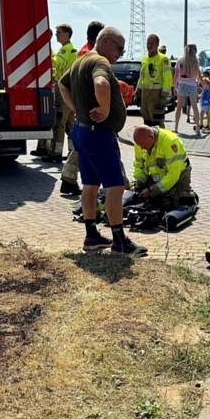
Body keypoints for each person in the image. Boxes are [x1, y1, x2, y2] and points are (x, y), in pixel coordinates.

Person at [57, 26, 147, 256]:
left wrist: (76, 108)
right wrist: (106, 109)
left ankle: (92, 235)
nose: (120, 53)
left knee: (89, 185)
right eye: (119, 48)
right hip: (98, 134)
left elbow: (62, 85)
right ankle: (119, 241)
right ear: (106, 42)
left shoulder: (80, 61)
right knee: (115, 187)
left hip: (82, 131)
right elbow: (102, 84)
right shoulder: (100, 62)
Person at [58, 20, 106, 193]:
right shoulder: (92, 55)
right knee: (94, 144)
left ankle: (68, 178)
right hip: (90, 107)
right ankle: (118, 183)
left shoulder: (83, 51)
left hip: (83, 105)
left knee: (83, 144)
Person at [40, 23, 76, 165]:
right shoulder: (70, 49)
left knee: (59, 123)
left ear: (67, 34)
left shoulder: (65, 50)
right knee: (70, 124)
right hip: (69, 89)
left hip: (63, 90)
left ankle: (56, 153)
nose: (56, 35)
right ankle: (73, 151)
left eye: (59, 33)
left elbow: (54, 65)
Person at [131, 125, 194, 207]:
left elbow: (173, 174)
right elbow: (139, 167)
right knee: (139, 198)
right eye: (139, 145)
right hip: (156, 178)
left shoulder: (170, 142)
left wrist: (152, 190)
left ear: (151, 136)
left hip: (179, 177)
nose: (142, 148)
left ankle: (190, 195)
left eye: (143, 145)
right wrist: (136, 184)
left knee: (181, 204)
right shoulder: (140, 144)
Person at [139, 34, 174, 128]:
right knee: (146, 122)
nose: (149, 46)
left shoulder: (163, 59)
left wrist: (164, 96)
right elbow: (141, 76)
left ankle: (160, 142)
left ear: (157, 45)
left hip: (156, 95)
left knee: (157, 123)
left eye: (152, 43)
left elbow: (167, 79)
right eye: (148, 43)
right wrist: (137, 92)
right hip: (145, 95)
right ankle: (148, 142)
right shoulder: (144, 58)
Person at [173, 43, 203, 135]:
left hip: (181, 83)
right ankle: (197, 128)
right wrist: (203, 85)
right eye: (195, 49)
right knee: (194, 106)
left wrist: (175, 86)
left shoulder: (180, 60)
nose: (196, 51)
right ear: (191, 50)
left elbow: (176, 74)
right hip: (192, 85)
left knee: (179, 106)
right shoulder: (195, 61)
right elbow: (199, 76)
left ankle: (176, 128)